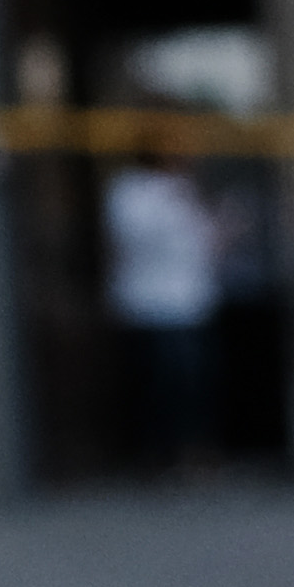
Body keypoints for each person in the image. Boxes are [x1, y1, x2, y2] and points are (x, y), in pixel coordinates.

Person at [103, 157, 221, 476]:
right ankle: (157, 454)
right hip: (149, 306)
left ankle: (191, 449)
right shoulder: (131, 191)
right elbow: (130, 240)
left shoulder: (187, 191)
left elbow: (207, 244)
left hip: (190, 304)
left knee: (192, 382)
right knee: (159, 383)